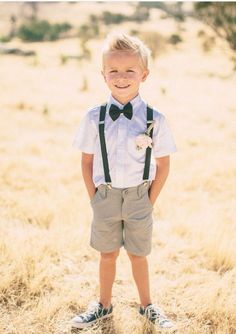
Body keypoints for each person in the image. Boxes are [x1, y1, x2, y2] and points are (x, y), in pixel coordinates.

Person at [71, 33, 177, 331]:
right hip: (104, 195)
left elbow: (164, 163)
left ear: (144, 74)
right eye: (113, 71)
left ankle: (147, 306)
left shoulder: (155, 118)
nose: (121, 77)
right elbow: (87, 160)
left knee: (138, 253)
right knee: (107, 253)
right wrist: (94, 197)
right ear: (103, 74)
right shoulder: (94, 117)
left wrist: (148, 199)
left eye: (130, 70)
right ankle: (103, 306)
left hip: (139, 196)